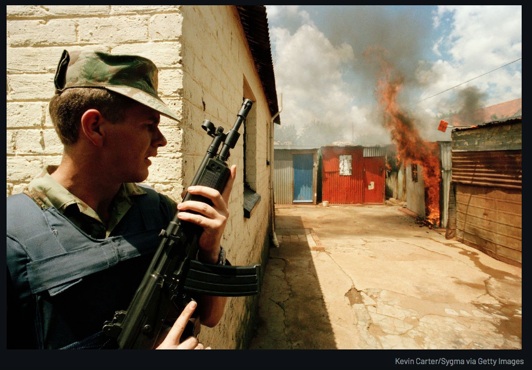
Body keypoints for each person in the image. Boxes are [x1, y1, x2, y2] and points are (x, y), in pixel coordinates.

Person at [6, 49, 234, 349]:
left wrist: (210, 247)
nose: (161, 140)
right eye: (149, 125)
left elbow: (210, 315)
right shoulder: (12, 238)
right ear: (95, 127)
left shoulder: (161, 212)